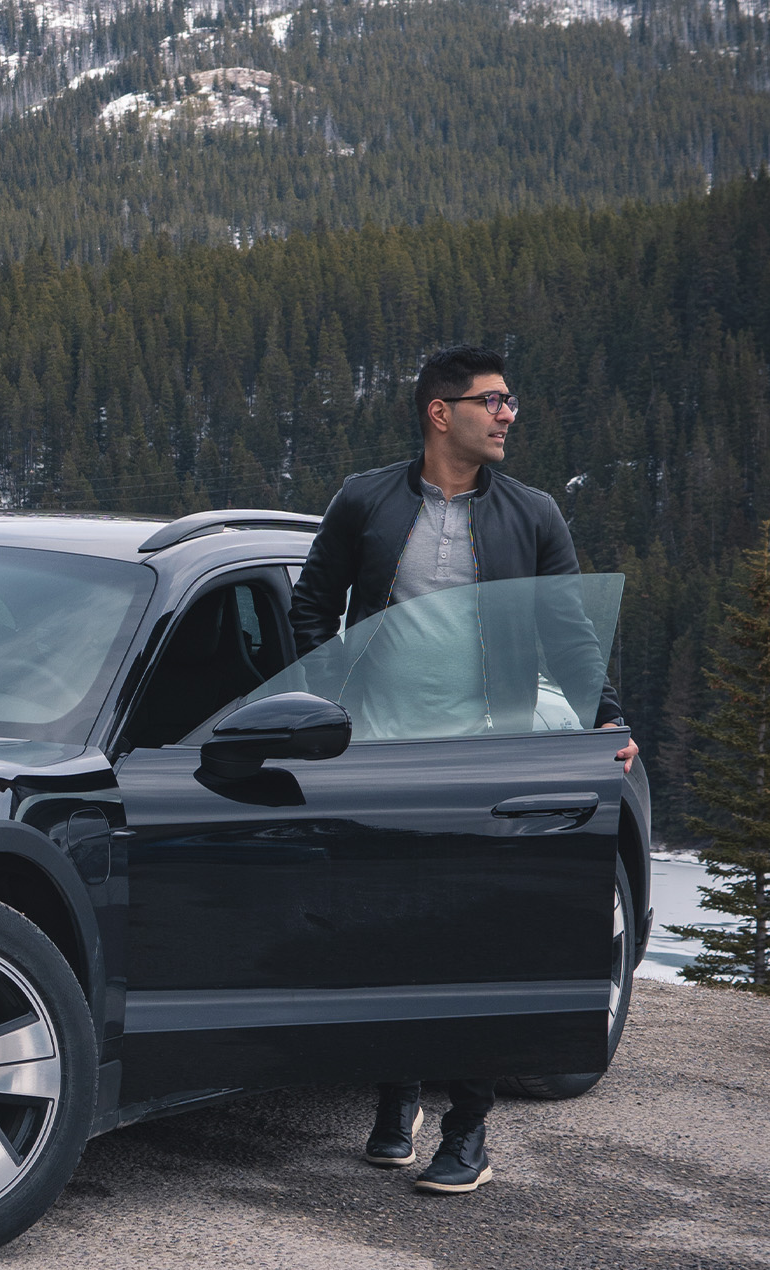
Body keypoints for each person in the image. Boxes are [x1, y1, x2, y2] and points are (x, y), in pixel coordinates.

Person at [288, 344, 638, 1194]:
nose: (509, 414)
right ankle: (397, 1091)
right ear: (441, 412)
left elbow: (569, 633)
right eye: (494, 400)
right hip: (380, 752)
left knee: (478, 941)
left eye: (511, 400)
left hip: (489, 756)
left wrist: (607, 720)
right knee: (386, 930)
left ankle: (469, 1130)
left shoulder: (535, 514)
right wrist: (327, 706)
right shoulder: (364, 500)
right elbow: (310, 606)